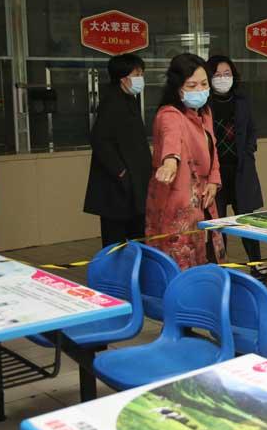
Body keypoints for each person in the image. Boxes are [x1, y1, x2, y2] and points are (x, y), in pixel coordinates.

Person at [146, 53, 225, 270]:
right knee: (177, 262)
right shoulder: (170, 114)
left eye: (204, 84)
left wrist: (214, 181)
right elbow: (171, 140)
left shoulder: (205, 113)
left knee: (204, 258)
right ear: (177, 87)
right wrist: (170, 162)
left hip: (202, 199)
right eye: (192, 85)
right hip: (176, 203)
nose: (200, 90)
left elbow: (213, 148)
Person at [84, 53, 152, 247]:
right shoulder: (112, 102)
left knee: (136, 236)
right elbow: (99, 140)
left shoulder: (129, 99)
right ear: (123, 77)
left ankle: (135, 266)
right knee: (116, 240)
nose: (141, 78)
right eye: (137, 74)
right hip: (116, 187)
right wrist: (121, 171)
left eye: (141, 74)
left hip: (132, 184)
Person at [206, 55, 263, 262]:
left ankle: (257, 265)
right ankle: (219, 267)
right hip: (215, 173)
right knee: (217, 223)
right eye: (217, 75)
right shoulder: (204, 103)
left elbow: (251, 129)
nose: (223, 78)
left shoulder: (242, 100)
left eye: (227, 74)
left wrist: (249, 149)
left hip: (241, 169)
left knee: (248, 222)